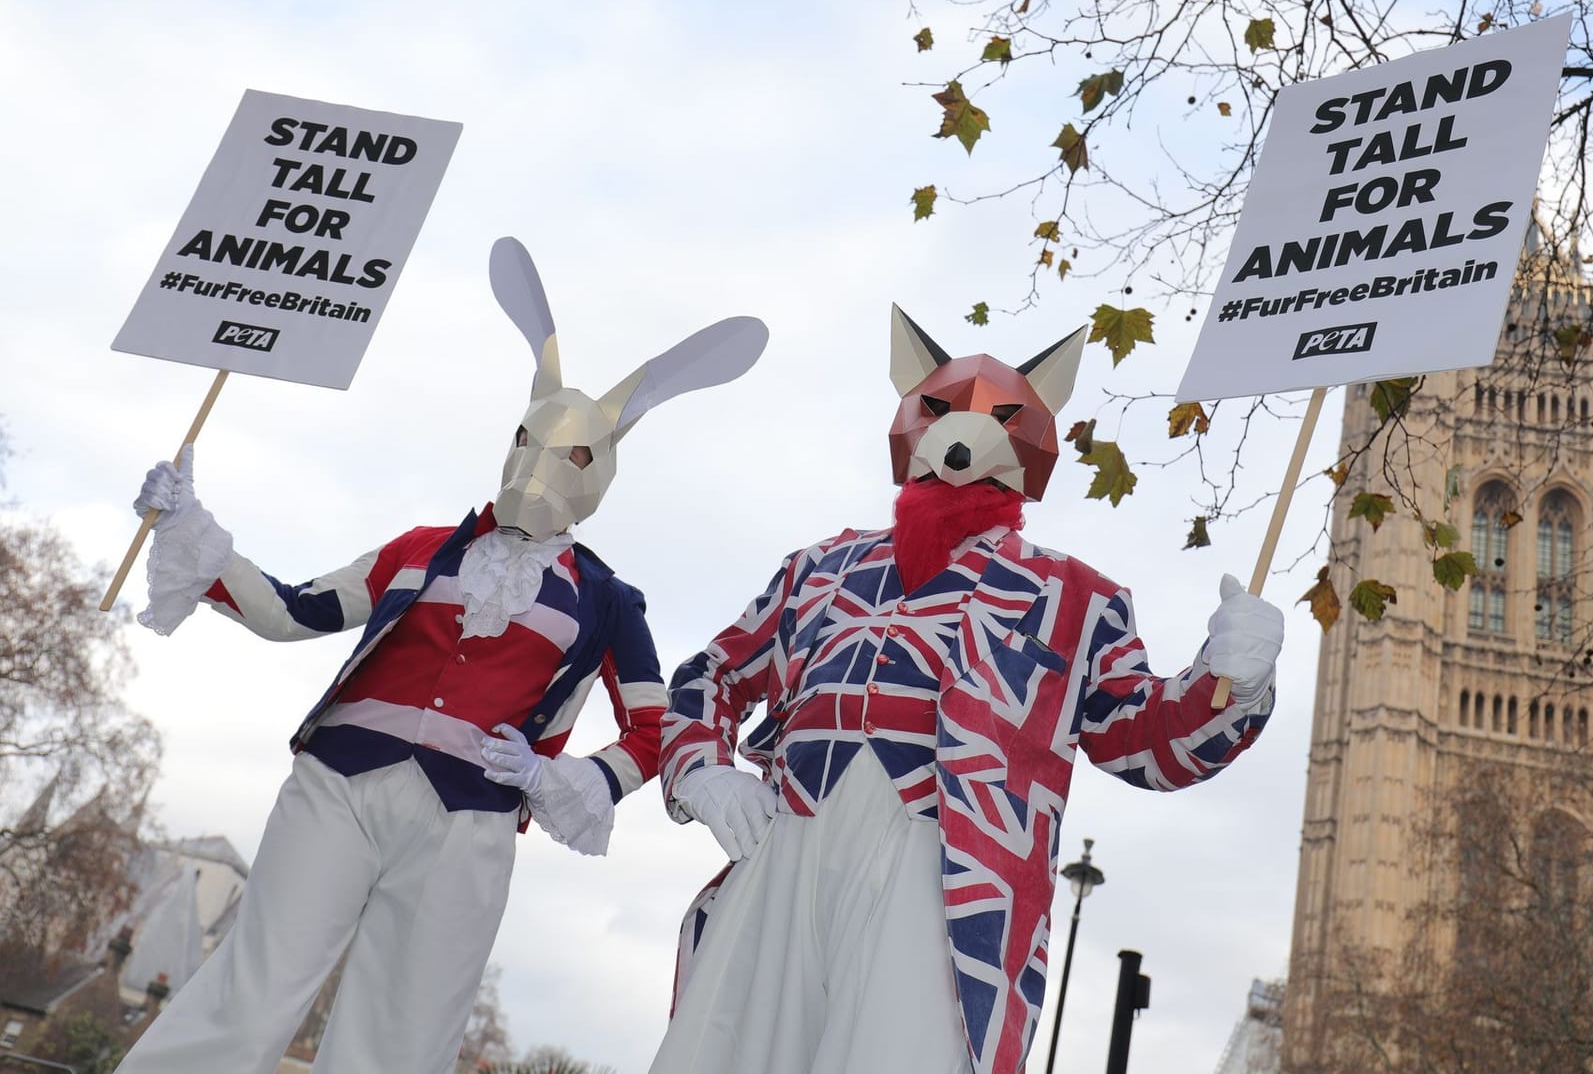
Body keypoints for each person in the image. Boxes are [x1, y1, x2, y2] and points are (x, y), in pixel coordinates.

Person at [115, 238, 767, 1074]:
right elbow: (295, 610)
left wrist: (561, 777)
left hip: (471, 820)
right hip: (338, 788)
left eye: (570, 455)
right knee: (252, 987)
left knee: (403, 1037)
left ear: (603, 469)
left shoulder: (607, 601)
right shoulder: (421, 551)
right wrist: (189, 528)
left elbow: (651, 729)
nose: (541, 466)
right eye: (531, 440)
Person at [648, 306, 1285, 1074]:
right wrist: (704, 773)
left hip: (947, 874)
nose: (964, 431)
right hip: (786, 843)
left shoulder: (1075, 597)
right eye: (943, 407)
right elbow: (710, 675)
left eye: (1000, 416)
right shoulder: (819, 569)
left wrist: (1230, 682)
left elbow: (1142, 739)